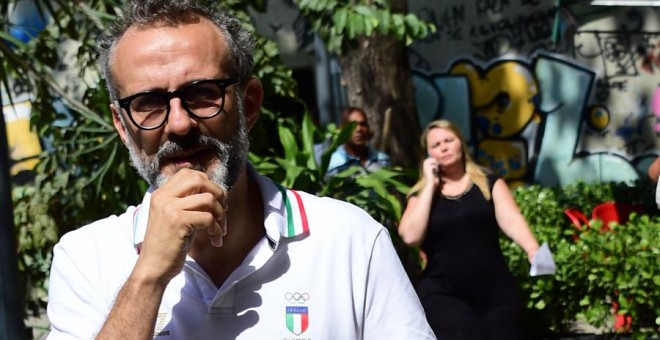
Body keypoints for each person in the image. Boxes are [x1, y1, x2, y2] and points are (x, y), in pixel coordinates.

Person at [46, 1, 435, 339]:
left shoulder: (349, 240)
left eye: (202, 94)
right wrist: (148, 278)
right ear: (122, 125)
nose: (179, 124)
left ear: (248, 103)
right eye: (149, 102)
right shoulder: (85, 259)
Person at [398, 119, 540, 339]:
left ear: (460, 143)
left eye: (449, 140)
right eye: (436, 145)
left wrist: (532, 249)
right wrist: (429, 185)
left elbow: (511, 219)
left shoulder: (488, 183)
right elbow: (410, 236)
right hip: (443, 294)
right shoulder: (421, 196)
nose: (444, 147)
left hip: (494, 292)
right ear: (427, 155)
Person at [326, 107, 390, 176]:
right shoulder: (333, 165)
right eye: (353, 125)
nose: (359, 129)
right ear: (343, 130)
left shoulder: (382, 160)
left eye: (363, 124)